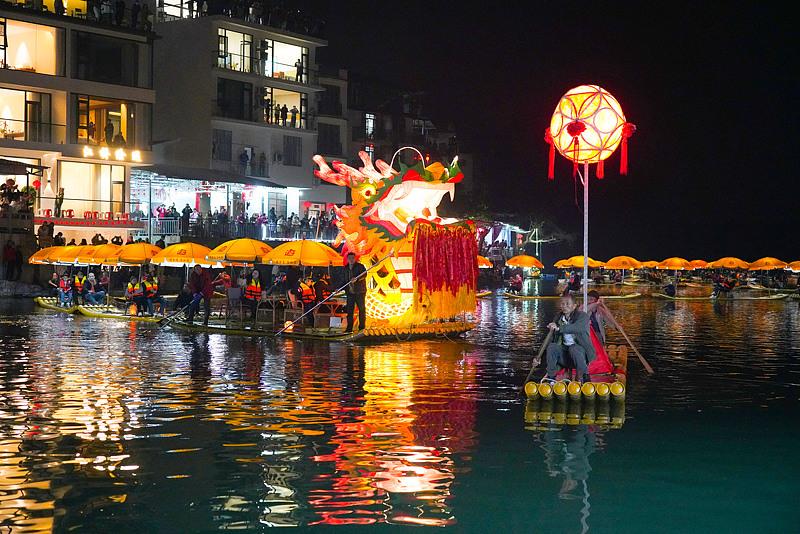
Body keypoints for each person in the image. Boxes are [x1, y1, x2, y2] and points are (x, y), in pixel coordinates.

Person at [545, 294, 596, 383]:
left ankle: (585, 377)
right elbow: (550, 338)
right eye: (562, 304)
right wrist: (538, 357)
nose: (564, 306)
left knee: (574, 348)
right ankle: (551, 377)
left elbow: (577, 327)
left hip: (581, 355)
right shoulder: (558, 318)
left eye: (567, 304)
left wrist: (559, 328)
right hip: (565, 355)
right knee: (552, 347)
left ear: (574, 306)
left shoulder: (583, 316)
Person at [343, 252, 367, 333]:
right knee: (350, 311)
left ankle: (362, 328)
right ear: (347, 259)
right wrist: (338, 288)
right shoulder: (345, 268)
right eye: (349, 258)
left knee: (361, 310)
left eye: (353, 258)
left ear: (355, 259)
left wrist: (357, 279)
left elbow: (364, 274)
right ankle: (349, 328)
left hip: (360, 292)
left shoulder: (360, 266)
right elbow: (344, 280)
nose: (351, 260)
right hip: (350, 293)